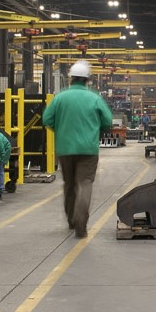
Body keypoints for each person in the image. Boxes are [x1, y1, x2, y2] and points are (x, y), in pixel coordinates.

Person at [42, 60, 112, 237]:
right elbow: (107, 122)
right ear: (88, 80)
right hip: (88, 149)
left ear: (71, 78)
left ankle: (71, 220)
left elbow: (47, 119)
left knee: (70, 184)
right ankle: (81, 221)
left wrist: (61, 129)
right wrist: (95, 131)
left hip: (65, 149)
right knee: (85, 183)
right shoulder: (95, 98)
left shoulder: (60, 97)